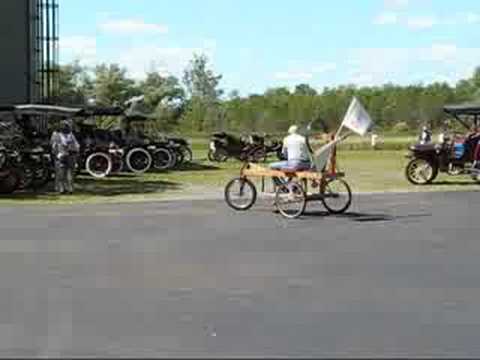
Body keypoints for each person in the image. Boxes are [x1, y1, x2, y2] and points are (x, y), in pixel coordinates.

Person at [50, 120, 80, 194]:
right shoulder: (70, 135)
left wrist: (55, 154)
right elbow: (77, 146)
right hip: (68, 155)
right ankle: (68, 188)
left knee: (61, 173)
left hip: (62, 155)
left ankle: (62, 188)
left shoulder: (56, 135)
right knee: (68, 173)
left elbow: (53, 146)